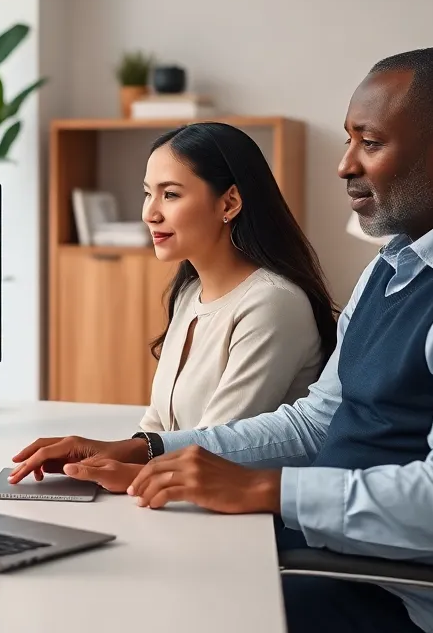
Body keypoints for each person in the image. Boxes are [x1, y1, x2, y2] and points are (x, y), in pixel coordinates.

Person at [9, 48, 433, 633]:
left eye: (369, 143)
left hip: (396, 601)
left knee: (133, 603)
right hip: (327, 556)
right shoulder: (394, 266)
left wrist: (265, 489)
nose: (345, 164)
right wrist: (150, 448)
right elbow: (313, 423)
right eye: (349, 140)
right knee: (103, 573)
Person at [137, 122, 334, 431]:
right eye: (148, 193)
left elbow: (216, 447)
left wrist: (124, 466)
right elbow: (156, 425)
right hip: (177, 475)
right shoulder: (189, 294)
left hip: (227, 477)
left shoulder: (272, 303)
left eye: (170, 194)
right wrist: (94, 458)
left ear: (229, 202)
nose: (150, 213)